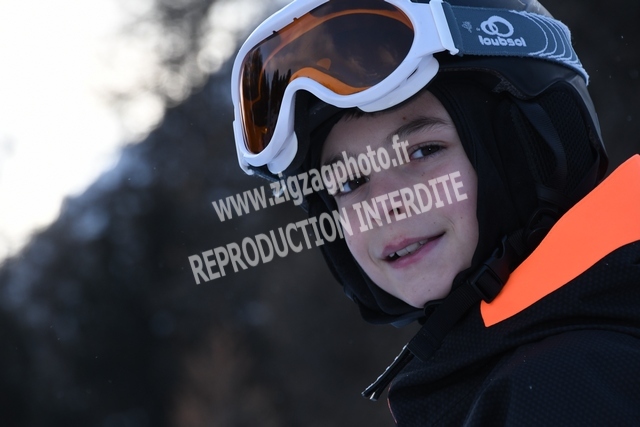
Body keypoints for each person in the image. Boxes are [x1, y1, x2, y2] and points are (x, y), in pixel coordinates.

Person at [230, 0, 640, 424]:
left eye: (424, 151)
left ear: (526, 151)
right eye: (350, 183)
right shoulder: (526, 365)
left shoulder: (569, 386)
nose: (384, 205)